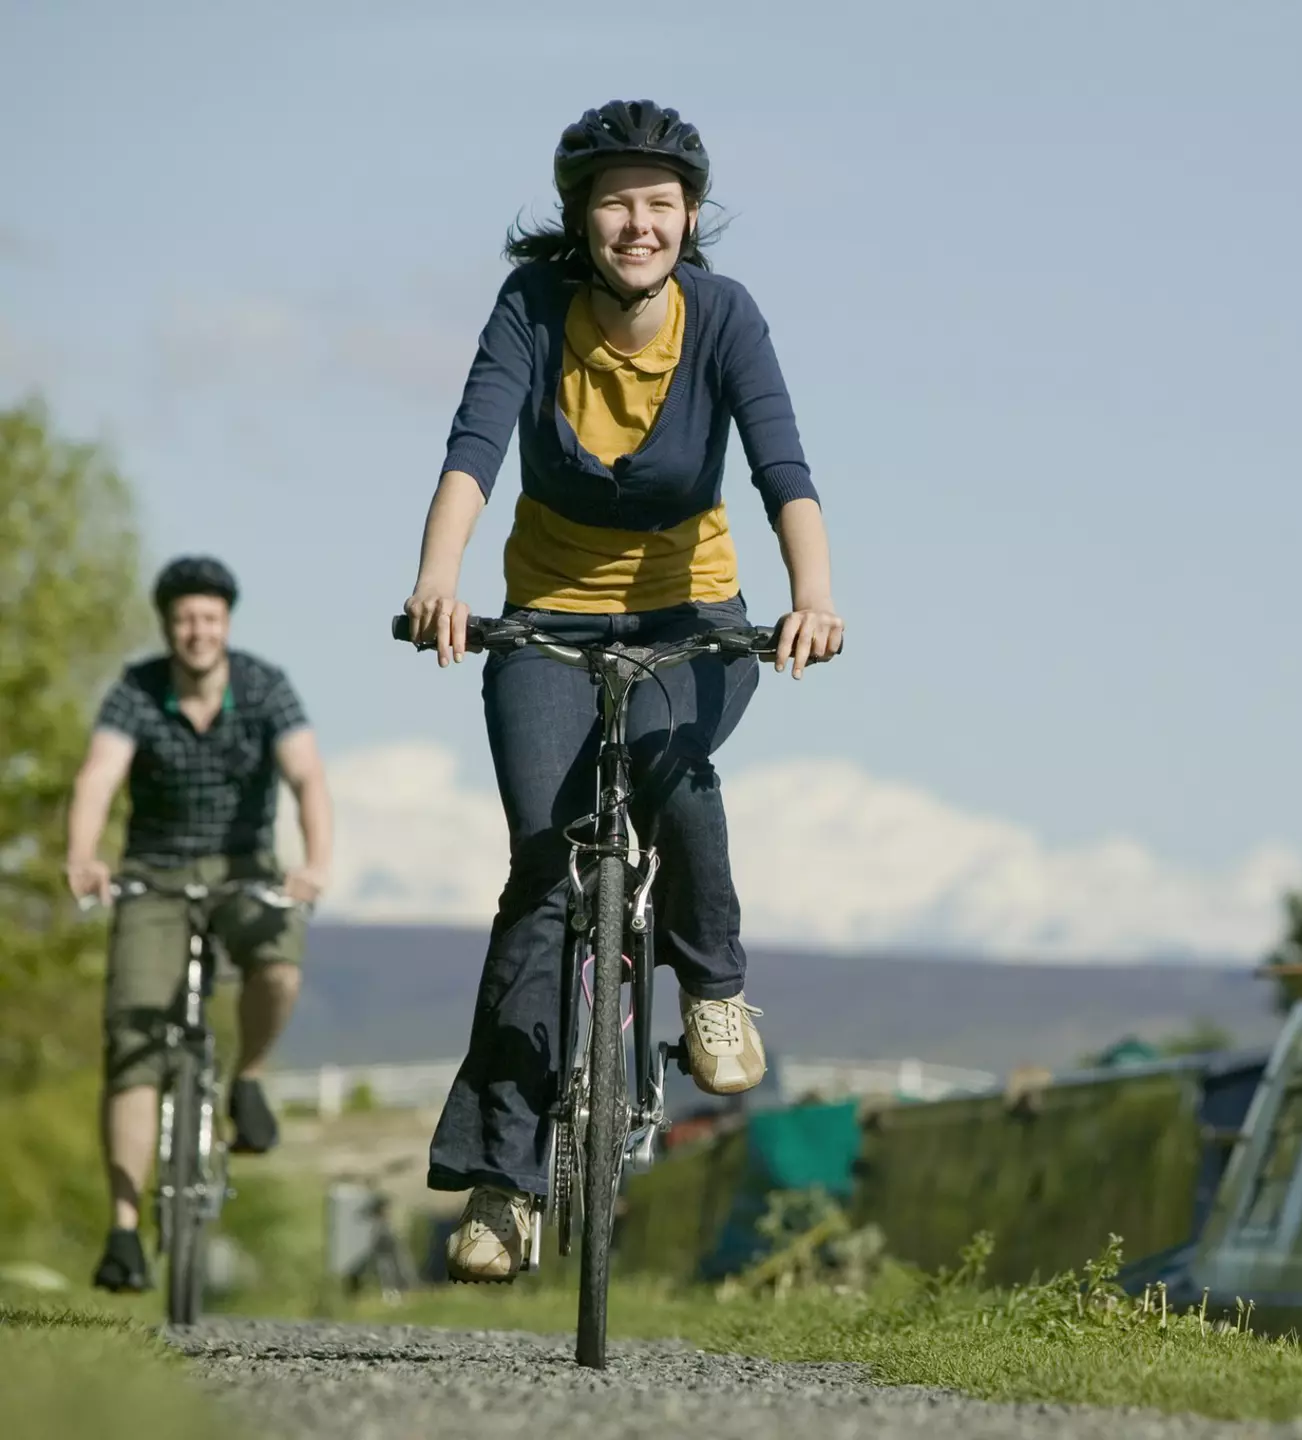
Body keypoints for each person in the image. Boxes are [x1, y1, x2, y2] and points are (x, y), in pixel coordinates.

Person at [403, 99, 844, 1283]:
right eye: (614, 202)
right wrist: (437, 580)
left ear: (688, 218)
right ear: (579, 219)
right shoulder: (531, 310)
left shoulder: (725, 317)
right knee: (543, 870)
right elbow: (473, 448)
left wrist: (813, 594)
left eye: (658, 202)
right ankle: (502, 1185)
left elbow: (780, 465)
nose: (637, 223)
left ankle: (712, 986)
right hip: (543, 620)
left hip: (688, 615)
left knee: (672, 770)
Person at [66, 556, 333, 1293]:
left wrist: (313, 863)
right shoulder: (136, 691)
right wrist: (82, 855)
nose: (196, 631)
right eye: (184, 618)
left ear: (226, 624)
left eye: (209, 618)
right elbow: (98, 775)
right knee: (133, 1043)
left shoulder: (264, 686)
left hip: (246, 869)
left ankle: (245, 1079)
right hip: (152, 875)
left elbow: (307, 775)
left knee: (278, 963)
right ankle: (124, 1232)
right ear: (167, 625)